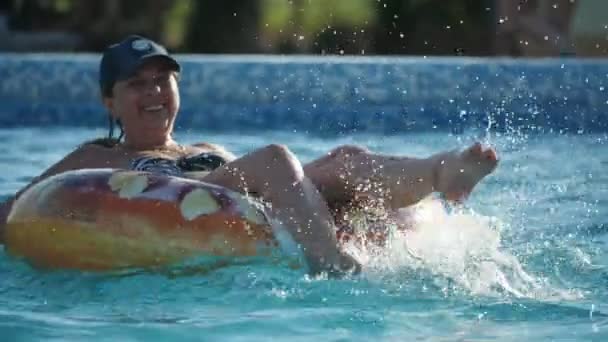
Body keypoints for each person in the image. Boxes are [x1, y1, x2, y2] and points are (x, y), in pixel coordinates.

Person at [0, 35, 498, 275]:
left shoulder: (204, 150)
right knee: (278, 158)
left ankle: (443, 171)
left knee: (347, 160)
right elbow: (19, 207)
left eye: (163, 81)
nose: (154, 93)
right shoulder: (96, 156)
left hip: (252, 202)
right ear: (110, 102)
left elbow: (274, 196)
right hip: (194, 199)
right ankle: (334, 267)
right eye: (137, 84)